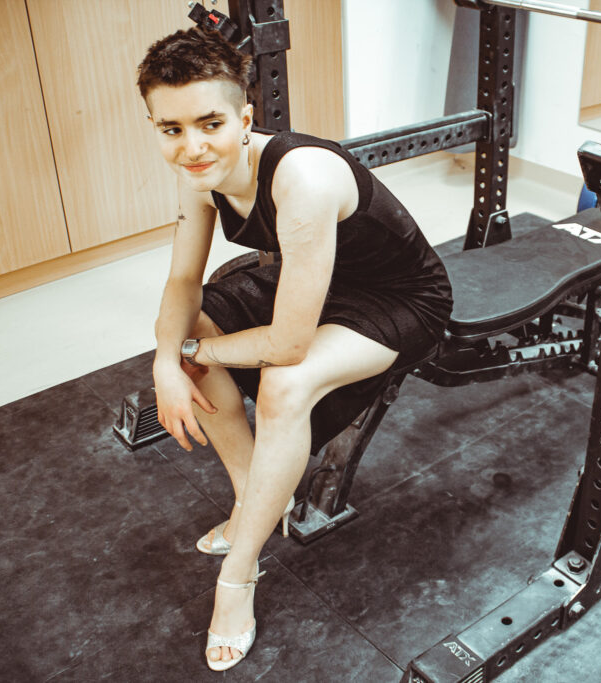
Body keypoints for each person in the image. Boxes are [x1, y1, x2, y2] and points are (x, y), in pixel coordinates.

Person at [136, 27, 453, 671]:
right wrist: (167, 361)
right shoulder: (198, 171)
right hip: (319, 284)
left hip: (402, 300)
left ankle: (238, 576)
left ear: (245, 118)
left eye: (210, 124)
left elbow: (287, 344)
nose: (192, 147)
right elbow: (182, 283)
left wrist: (194, 353)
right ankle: (256, 494)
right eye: (171, 129)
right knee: (192, 330)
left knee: (284, 381)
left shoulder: (301, 177)